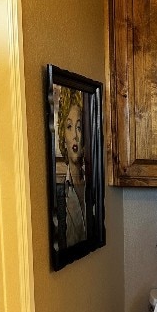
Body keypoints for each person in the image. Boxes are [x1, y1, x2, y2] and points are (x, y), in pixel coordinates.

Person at [56, 87, 86, 247]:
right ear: (63, 135)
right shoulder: (59, 193)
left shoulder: (93, 186)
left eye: (79, 127)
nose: (75, 135)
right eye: (69, 127)